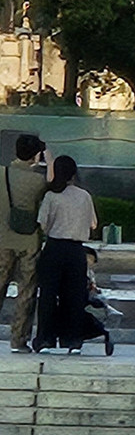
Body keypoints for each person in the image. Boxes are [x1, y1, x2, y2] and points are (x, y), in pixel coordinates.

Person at [33, 156, 97, 355]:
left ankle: (45, 339)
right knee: (75, 297)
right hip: (76, 251)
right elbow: (93, 224)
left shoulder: (51, 195)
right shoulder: (84, 196)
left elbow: (42, 223)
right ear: (73, 173)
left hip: (54, 248)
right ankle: (73, 340)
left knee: (48, 295)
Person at [0, 135, 50, 353]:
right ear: (36, 155)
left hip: (2, 240)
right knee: (26, 292)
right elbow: (56, 181)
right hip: (29, 241)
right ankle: (19, 340)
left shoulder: (1, 174)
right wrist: (48, 158)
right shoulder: (39, 181)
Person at [79, 247, 117, 356]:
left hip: (84, 303)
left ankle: (105, 335)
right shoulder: (81, 273)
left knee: (91, 323)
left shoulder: (89, 274)